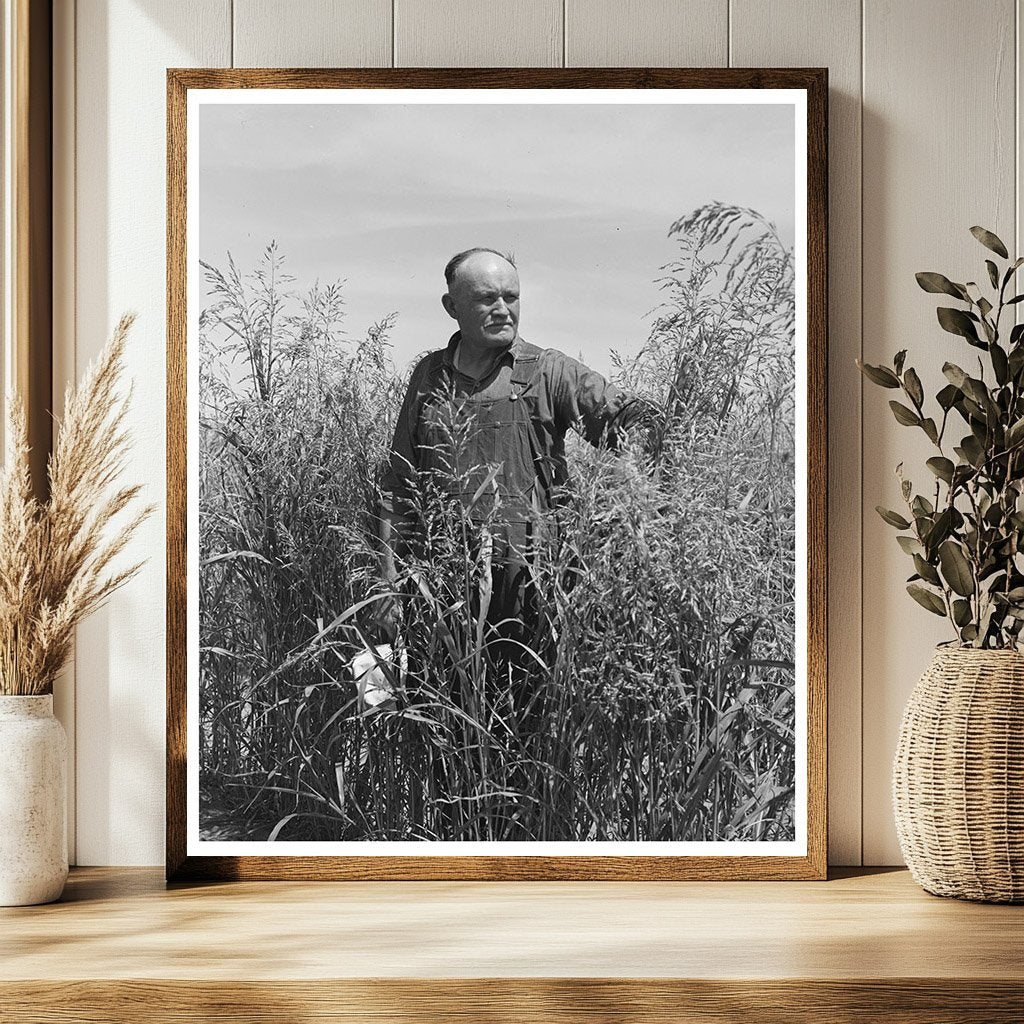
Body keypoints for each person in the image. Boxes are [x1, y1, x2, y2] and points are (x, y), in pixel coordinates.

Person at [376, 247, 653, 645]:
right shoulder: (428, 377)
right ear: (451, 306)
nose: (503, 309)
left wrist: (630, 477)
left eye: (512, 296)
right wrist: (388, 588)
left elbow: (635, 419)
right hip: (442, 593)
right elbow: (398, 486)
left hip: (535, 591)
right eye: (487, 298)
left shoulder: (548, 371)